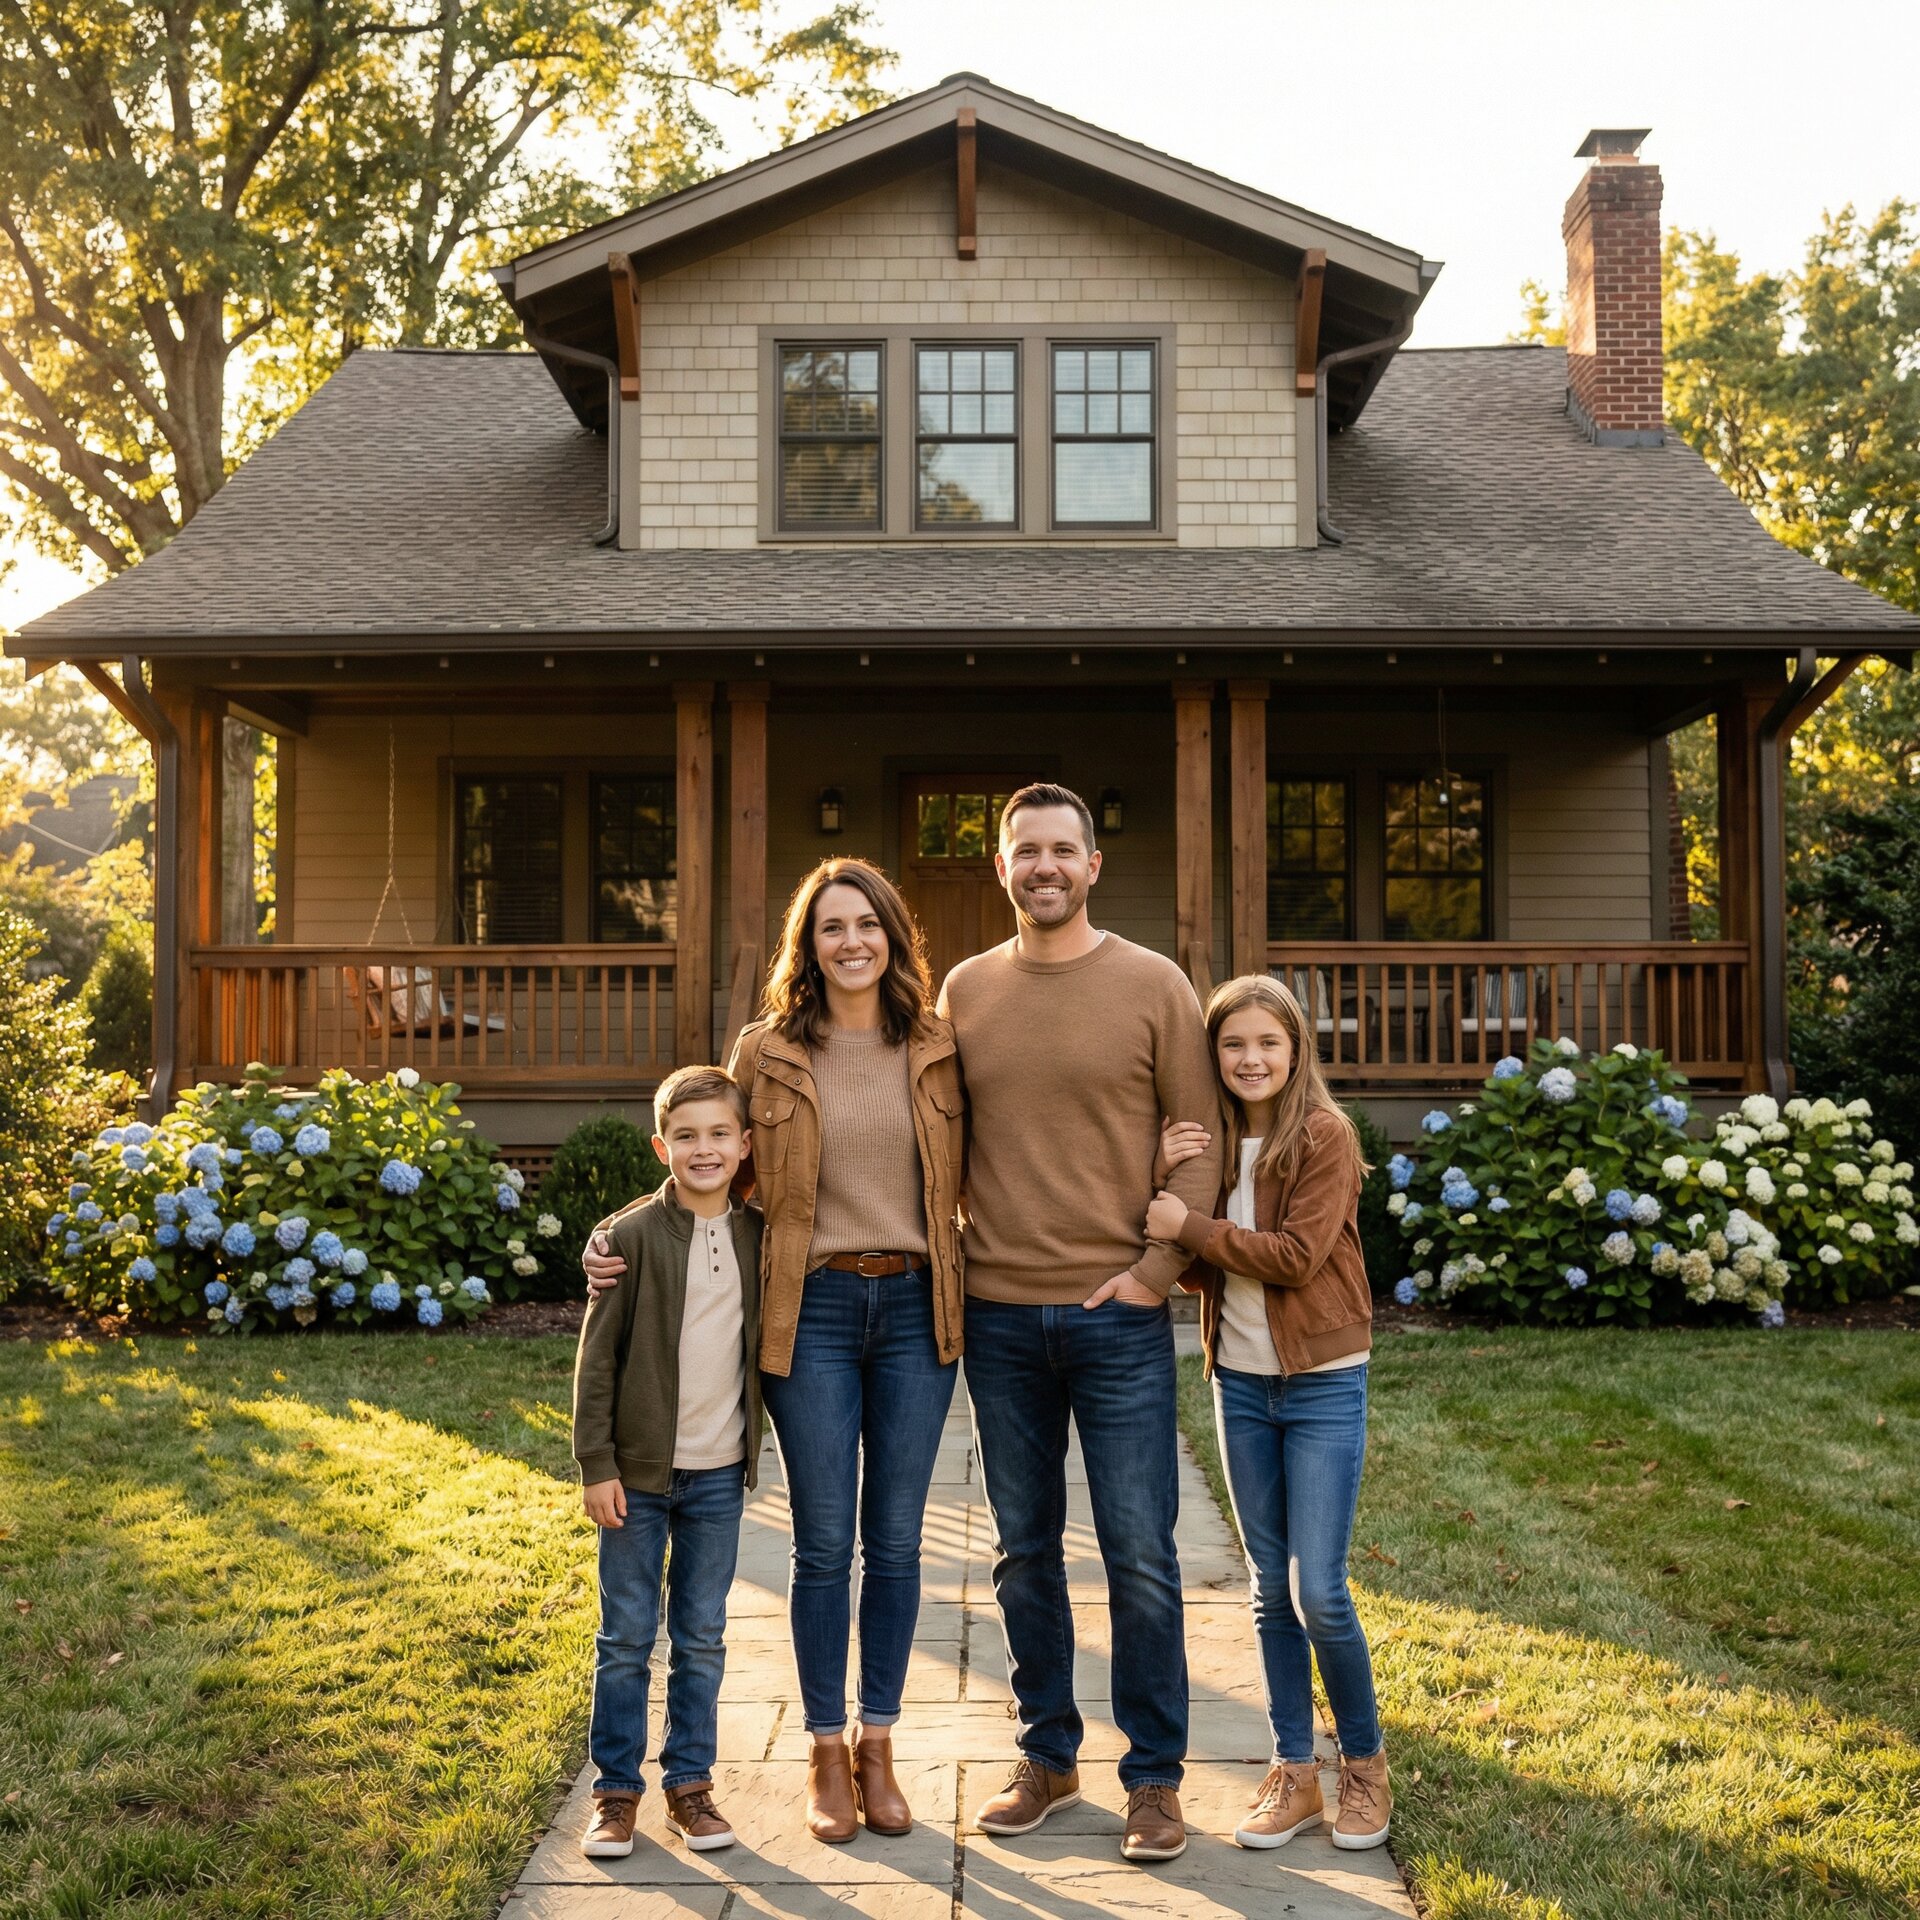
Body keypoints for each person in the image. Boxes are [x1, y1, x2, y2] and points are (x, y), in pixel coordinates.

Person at [586, 856, 966, 1844]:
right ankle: (825, 1750)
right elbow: (705, 1163)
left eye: (868, 925)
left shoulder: (936, 1045)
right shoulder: (766, 1051)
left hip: (922, 1307)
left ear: (893, 936)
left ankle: (880, 1745)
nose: (852, 942)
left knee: (896, 1542)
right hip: (816, 1312)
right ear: (809, 945)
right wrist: (621, 1234)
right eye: (831, 927)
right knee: (825, 1542)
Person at [940, 782, 1224, 1865]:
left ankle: (1153, 1780)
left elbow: (1200, 1146)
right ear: (1001, 868)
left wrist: (1158, 1271)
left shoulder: (1154, 986)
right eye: (1027, 851)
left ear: (1093, 865)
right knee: (1023, 1554)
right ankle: (1048, 1756)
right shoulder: (962, 994)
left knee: (1142, 1553)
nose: (1044, 867)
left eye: (1064, 850)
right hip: (1002, 1315)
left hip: (1118, 1318)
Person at [1145, 973, 1390, 1852]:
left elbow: (1291, 1257)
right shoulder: (1210, 1146)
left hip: (1321, 1376)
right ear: (1214, 1055)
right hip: (1241, 1382)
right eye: (1233, 1045)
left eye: (1268, 1044)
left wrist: (1187, 1226)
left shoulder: (1323, 1135)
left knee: (1315, 1588)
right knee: (1267, 1590)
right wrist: (1168, 1181)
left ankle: (1363, 1764)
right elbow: (1194, 1258)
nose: (1251, 1060)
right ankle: (1293, 1773)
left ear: (1296, 1051)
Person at [572, 1064, 763, 1860]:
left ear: (746, 1144)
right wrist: (595, 1463)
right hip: (640, 1475)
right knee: (624, 1636)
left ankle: (690, 1785)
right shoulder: (630, 1238)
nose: (704, 1148)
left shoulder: (761, 1234)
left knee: (703, 1633)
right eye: (687, 1136)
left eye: (720, 1133)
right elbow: (599, 1358)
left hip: (719, 1474)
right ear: (662, 1146)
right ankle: (616, 1794)